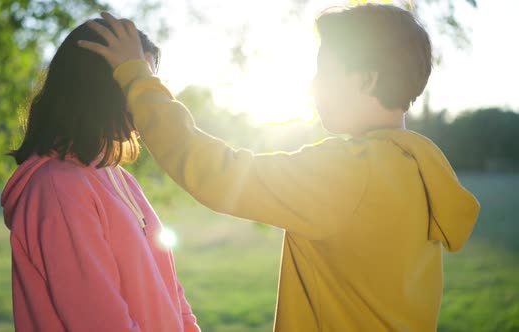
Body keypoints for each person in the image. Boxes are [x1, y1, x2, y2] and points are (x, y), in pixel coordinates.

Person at [80, 5, 480, 331]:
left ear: (366, 79)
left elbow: (216, 172)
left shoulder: (350, 171)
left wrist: (136, 75)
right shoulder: (416, 169)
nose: (313, 85)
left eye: (325, 71)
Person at [1, 18, 200, 332]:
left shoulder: (118, 177)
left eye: (147, 79)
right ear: (95, 89)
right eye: (130, 81)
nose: (145, 95)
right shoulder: (57, 189)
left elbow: (169, 287)